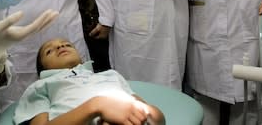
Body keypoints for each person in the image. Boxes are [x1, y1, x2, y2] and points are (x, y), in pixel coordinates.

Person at [14, 38, 165, 125]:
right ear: (43, 69)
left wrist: (146, 113)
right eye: (49, 51)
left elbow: (155, 117)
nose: (61, 46)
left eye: (67, 44)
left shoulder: (110, 75)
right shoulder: (40, 86)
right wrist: (96, 105)